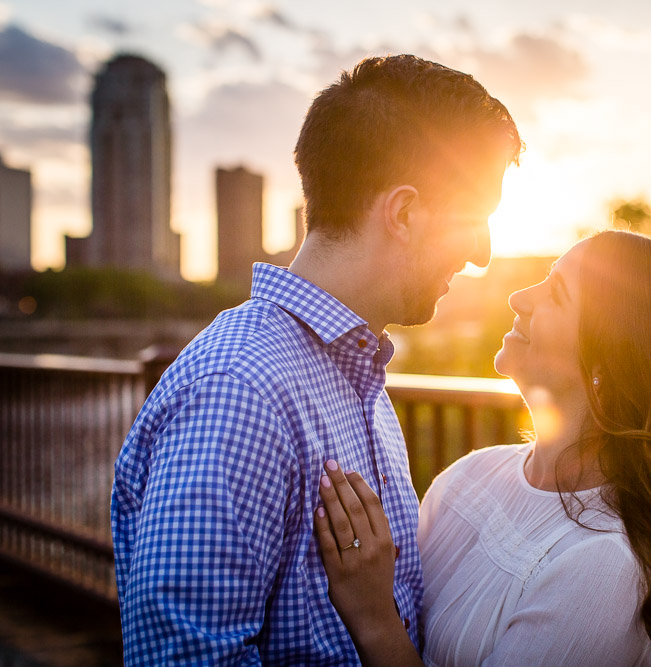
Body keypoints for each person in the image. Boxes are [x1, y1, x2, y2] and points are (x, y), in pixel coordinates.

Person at [111, 54, 522, 664]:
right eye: (476, 220)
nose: (483, 256)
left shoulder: (353, 378)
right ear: (405, 213)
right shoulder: (240, 391)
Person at [314, 230, 651, 666]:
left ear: (609, 363)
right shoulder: (470, 476)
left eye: (555, 295)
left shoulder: (607, 568)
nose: (519, 297)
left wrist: (373, 617)